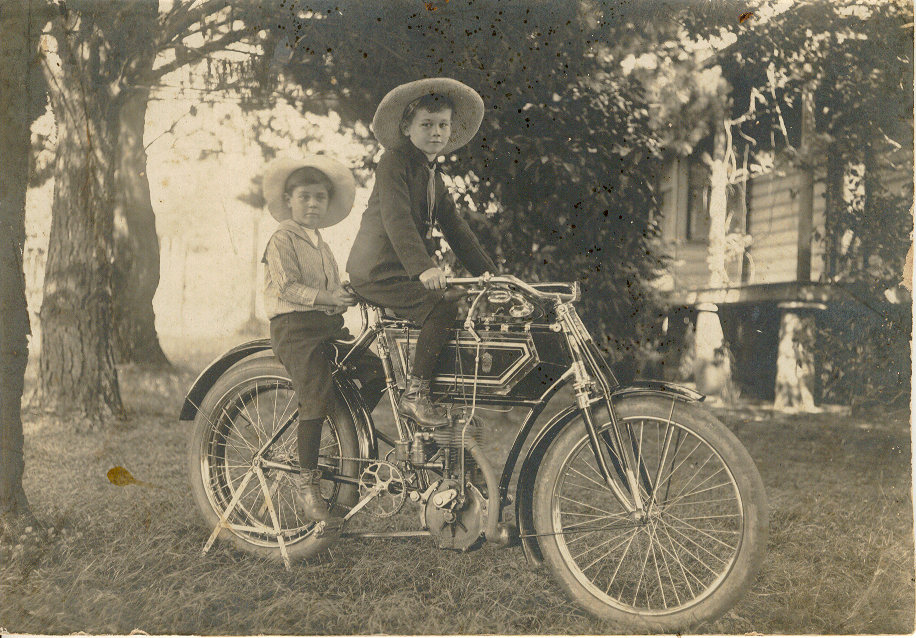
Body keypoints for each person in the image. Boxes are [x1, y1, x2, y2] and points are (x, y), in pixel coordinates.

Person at [346, 78, 497, 428]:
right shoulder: (393, 161)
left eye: (443, 124)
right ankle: (415, 395)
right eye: (426, 124)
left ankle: (436, 396)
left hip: (400, 270)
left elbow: (457, 229)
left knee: (453, 303)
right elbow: (396, 218)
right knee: (440, 305)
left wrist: (491, 274)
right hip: (377, 270)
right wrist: (423, 268)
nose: (436, 132)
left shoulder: (433, 174)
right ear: (406, 128)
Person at [262, 155, 357, 523]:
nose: (313, 204)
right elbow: (286, 285)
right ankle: (306, 482)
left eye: (320, 198)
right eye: (305, 197)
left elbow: (333, 289)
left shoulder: (323, 245)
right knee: (315, 390)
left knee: (373, 368)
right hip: (295, 328)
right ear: (289, 199)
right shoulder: (282, 238)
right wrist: (329, 297)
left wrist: (344, 294)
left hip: (327, 327)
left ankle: (338, 439)